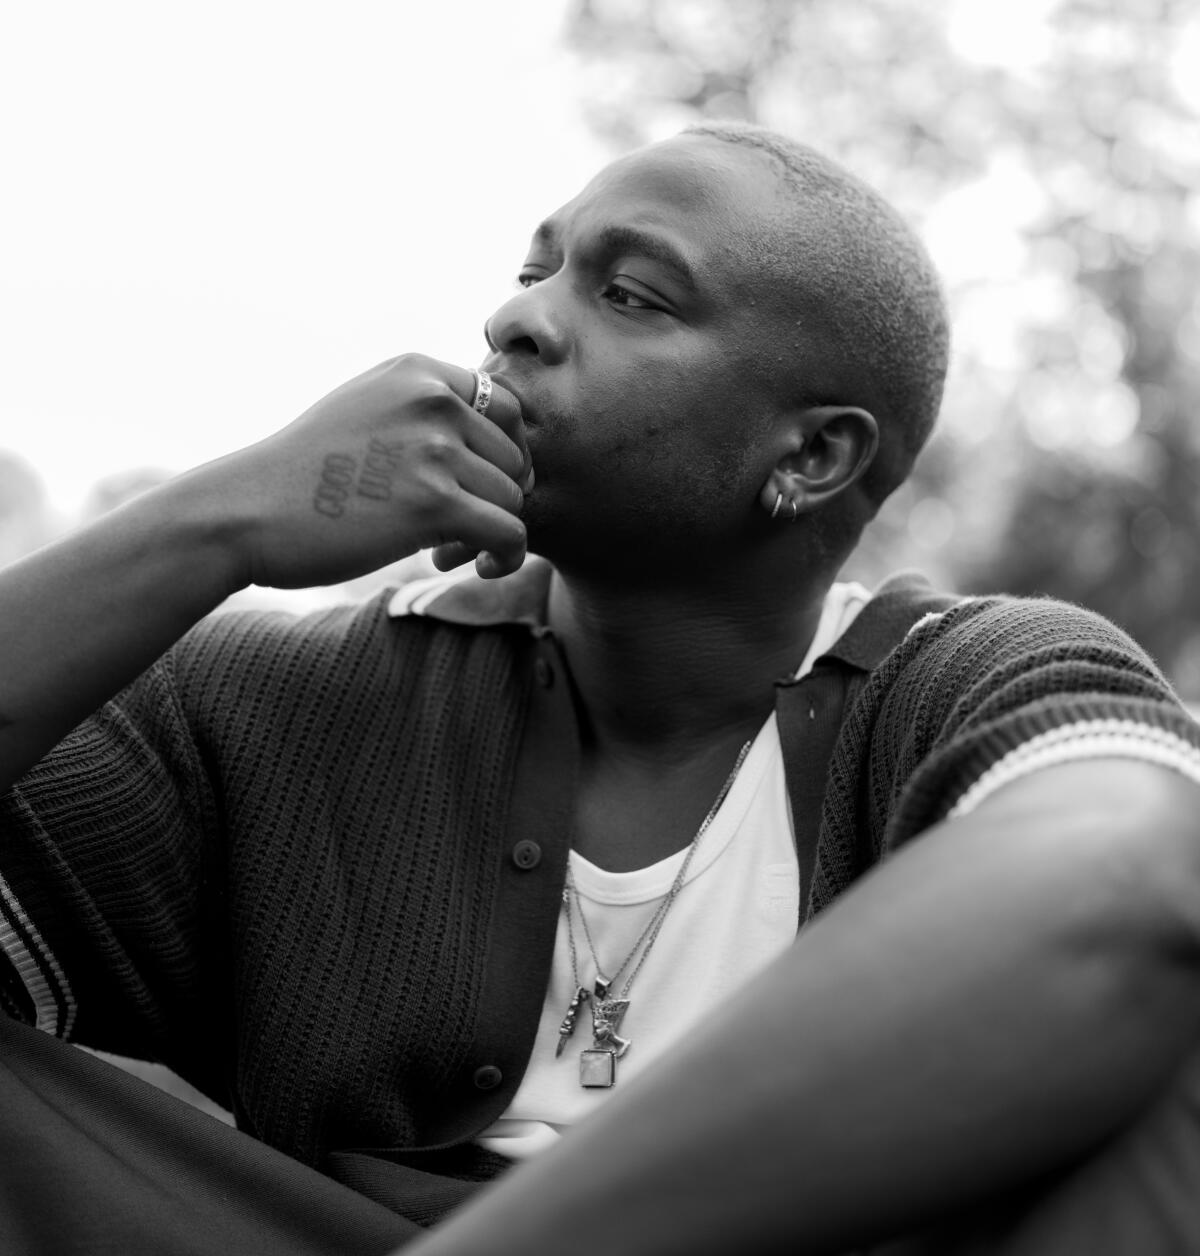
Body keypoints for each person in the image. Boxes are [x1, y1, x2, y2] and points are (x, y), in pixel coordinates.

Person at [2, 122, 1200, 1256]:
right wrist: (215, 526)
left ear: (812, 455)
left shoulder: (966, 683)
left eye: (630, 294)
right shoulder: (281, 699)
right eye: (537, 271)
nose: (515, 320)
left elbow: (1132, 885)